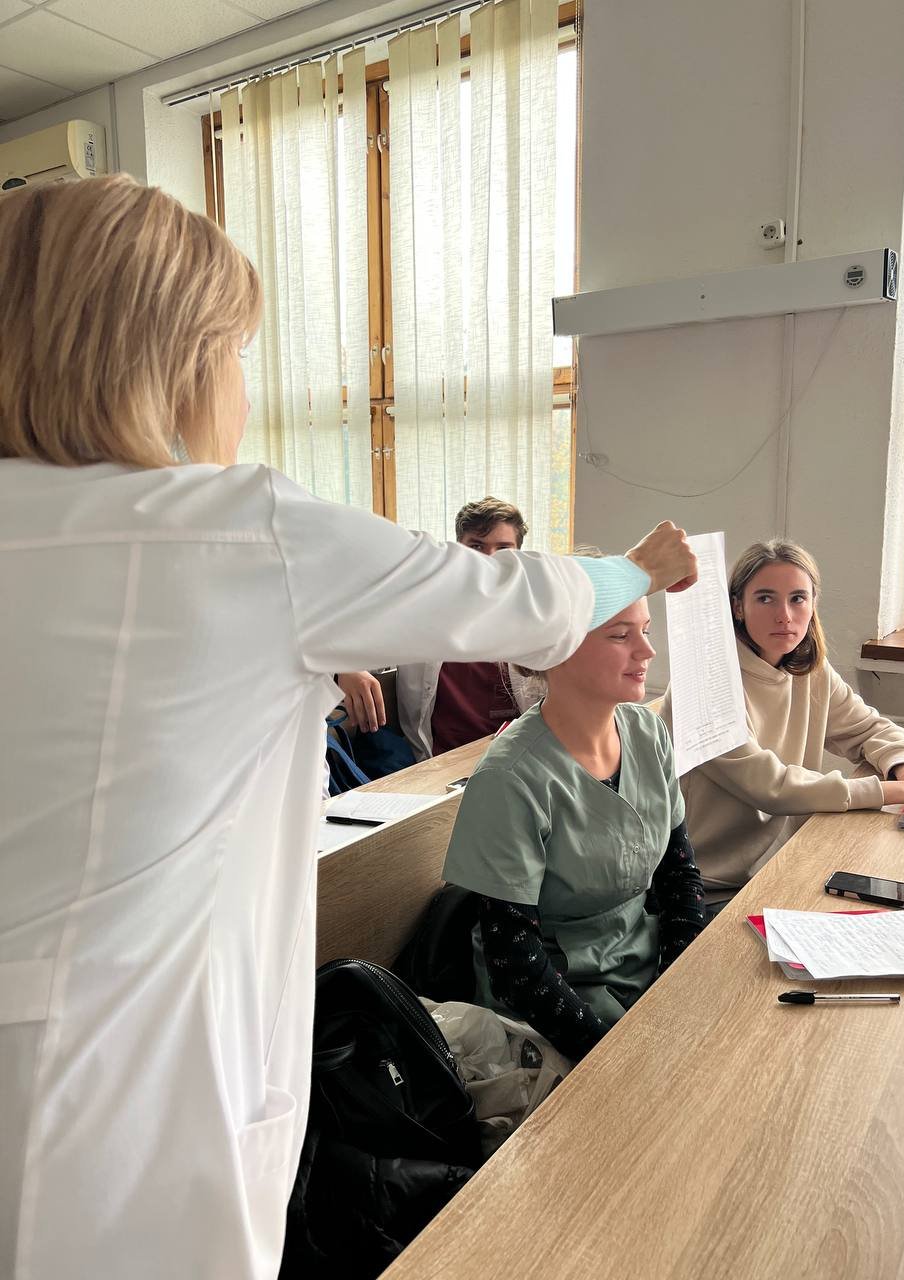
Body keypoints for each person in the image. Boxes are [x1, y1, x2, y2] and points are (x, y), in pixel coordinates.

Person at [0, 174, 698, 1280]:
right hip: (140, 1082)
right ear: (172, 358)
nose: (240, 386)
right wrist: (635, 567)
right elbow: (514, 600)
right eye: (235, 353)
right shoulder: (234, 532)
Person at [441, 588, 706, 1063]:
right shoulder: (509, 778)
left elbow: (679, 876)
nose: (647, 650)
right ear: (557, 649)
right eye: (620, 635)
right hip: (559, 1005)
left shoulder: (648, 734)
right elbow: (515, 966)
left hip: (644, 970)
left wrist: (676, 990)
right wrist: (608, 1056)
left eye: (645, 631)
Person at [660, 539, 904, 916]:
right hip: (709, 888)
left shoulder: (806, 669)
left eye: (798, 598)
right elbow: (772, 787)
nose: (784, 615)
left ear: (813, 603)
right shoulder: (703, 682)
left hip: (786, 862)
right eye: (765, 598)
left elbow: (869, 728)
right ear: (737, 607)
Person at [336, 497, 536, 757]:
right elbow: (353, 637)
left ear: (519, 554)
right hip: (439, 766)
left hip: (516, 762)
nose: (489, 559)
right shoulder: (420, 613)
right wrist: (346, 667)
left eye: (503, 548)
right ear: (459, 550)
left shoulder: (536, 618)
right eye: (476, 546)